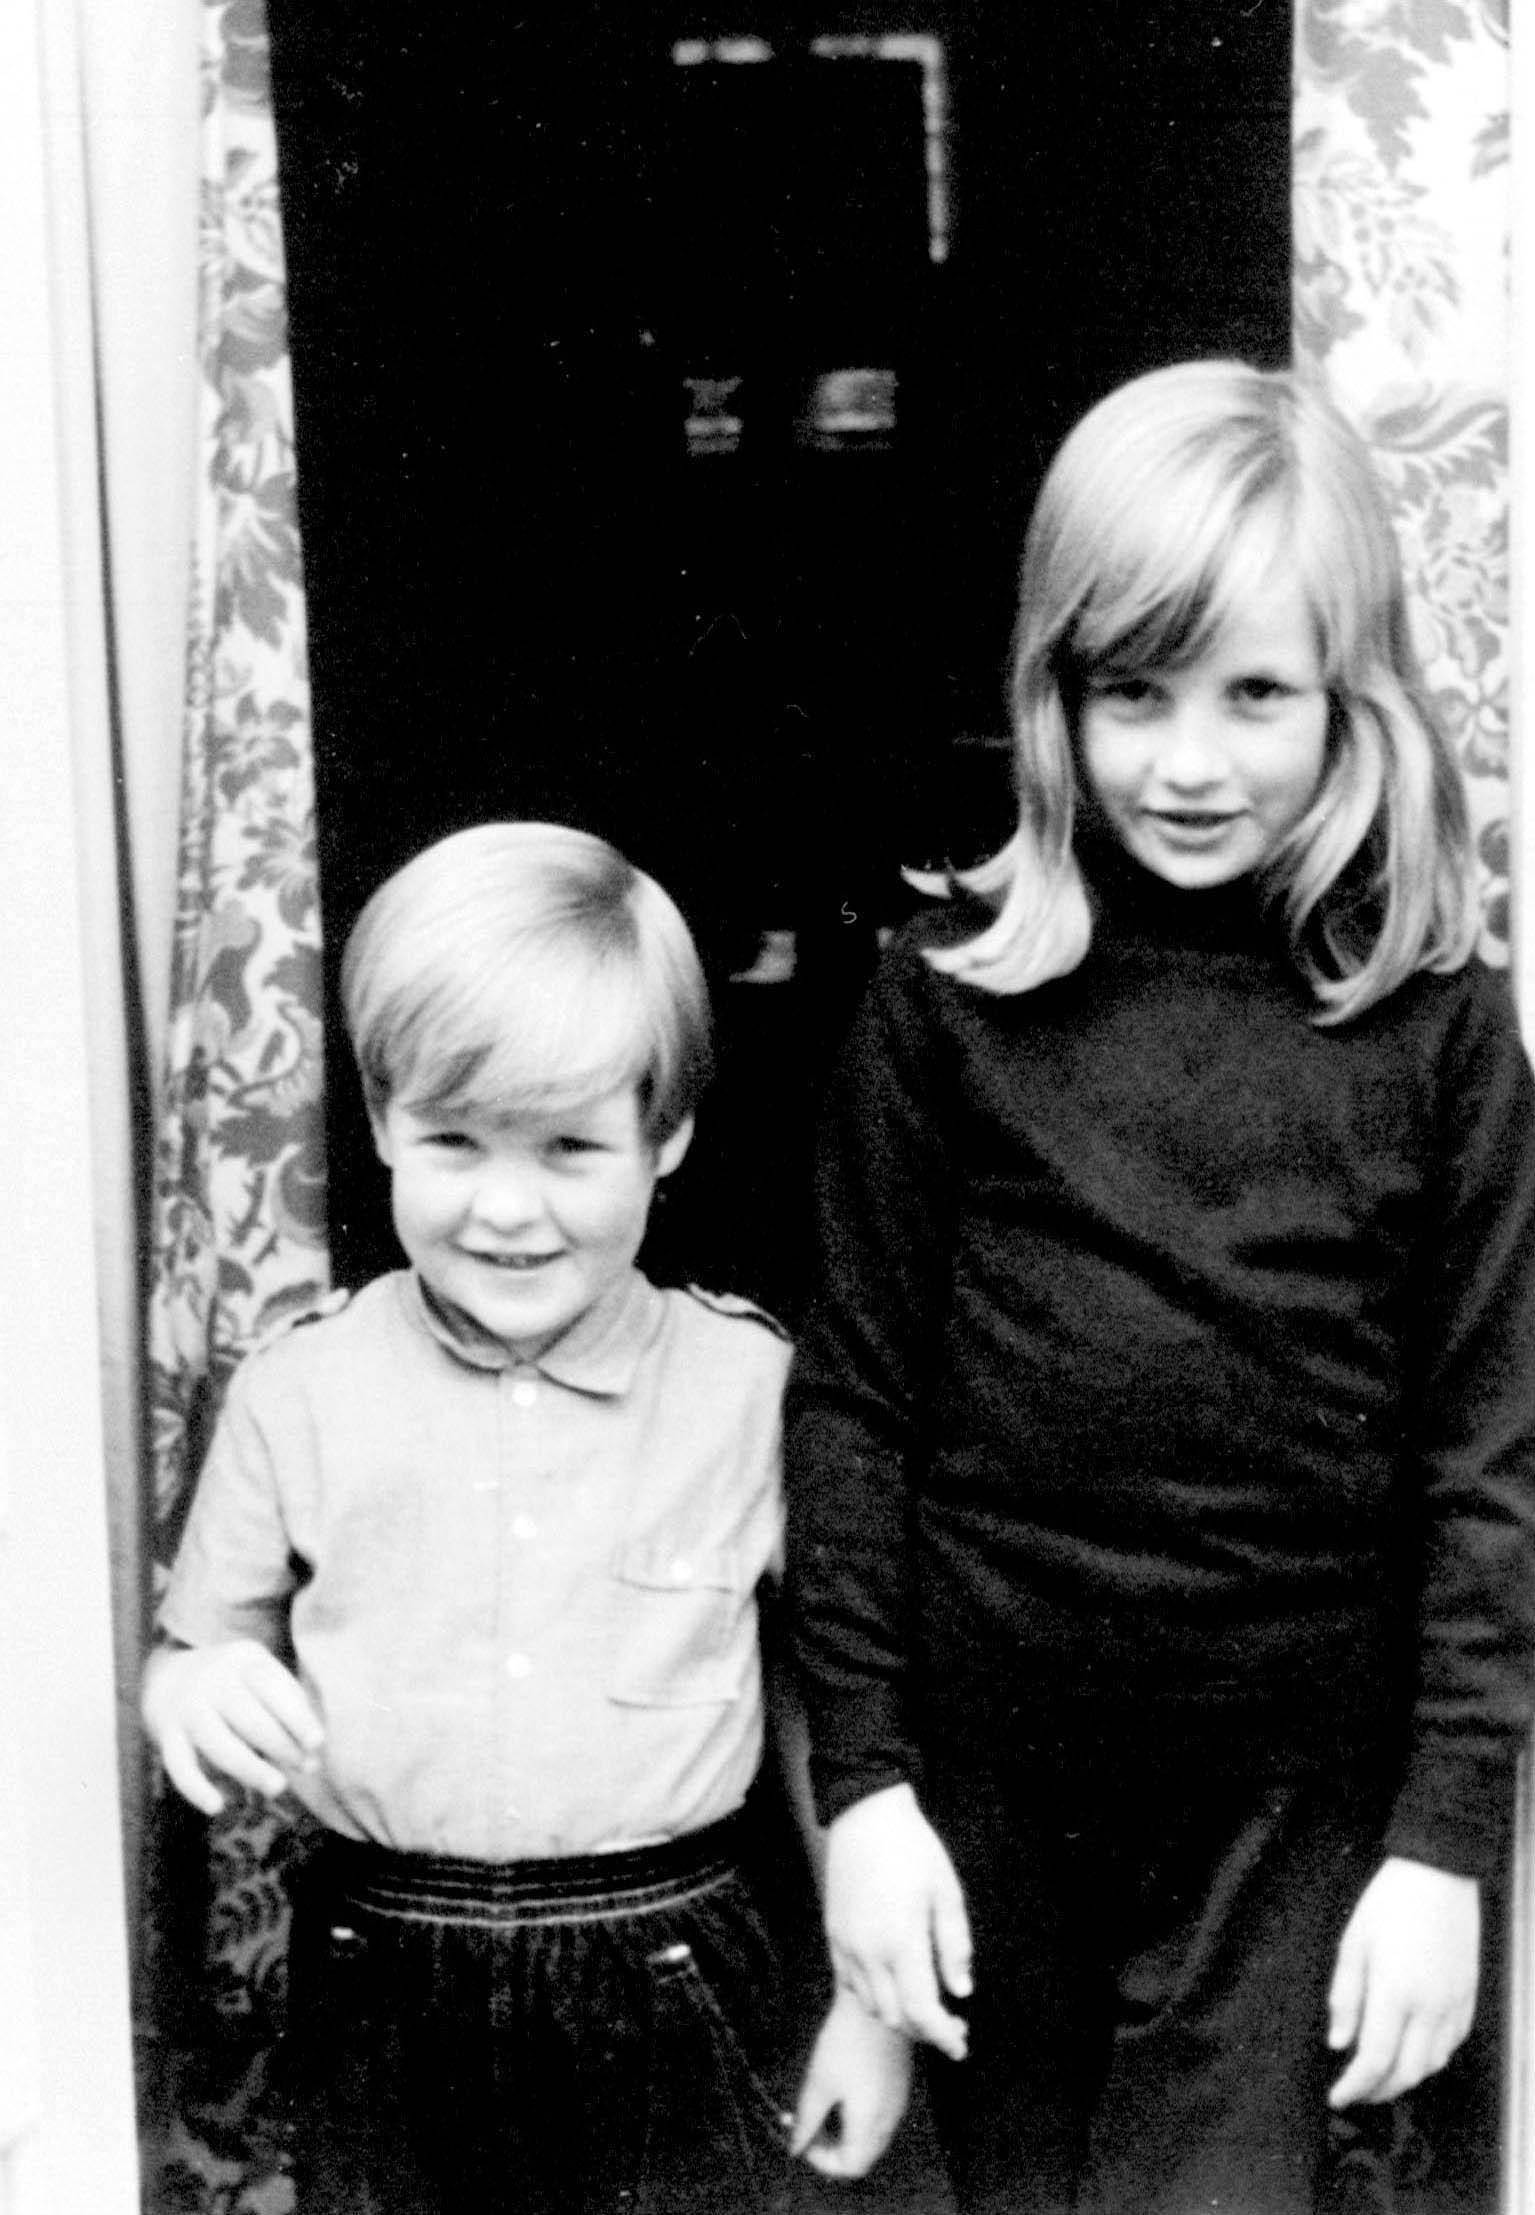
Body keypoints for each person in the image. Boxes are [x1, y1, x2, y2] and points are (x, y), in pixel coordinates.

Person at [784, 360, 1535, 2214]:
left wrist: (1443, 1845)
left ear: (1353, 697)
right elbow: (854, 1406)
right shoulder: (947, 1003)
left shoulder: (1436, 1030)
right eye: (1134, 695)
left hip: (1295, 1813)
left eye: (1255, 695)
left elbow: (1489, 1455)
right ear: (1058, 697)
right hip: (993, 1790)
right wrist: (865, 1798)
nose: (1189, 763)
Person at [142, 820, 906, 2214]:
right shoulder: (297, 1387)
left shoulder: (753, 1391)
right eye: (452, 1141)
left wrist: (868, 2005)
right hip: (380, 1960)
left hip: (676, 1964)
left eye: (567, 1147)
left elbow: (831, 1706)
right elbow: (200, 1649)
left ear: (666, 1135)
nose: (506, 1210)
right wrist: (197, 1690)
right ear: (378, 1120)